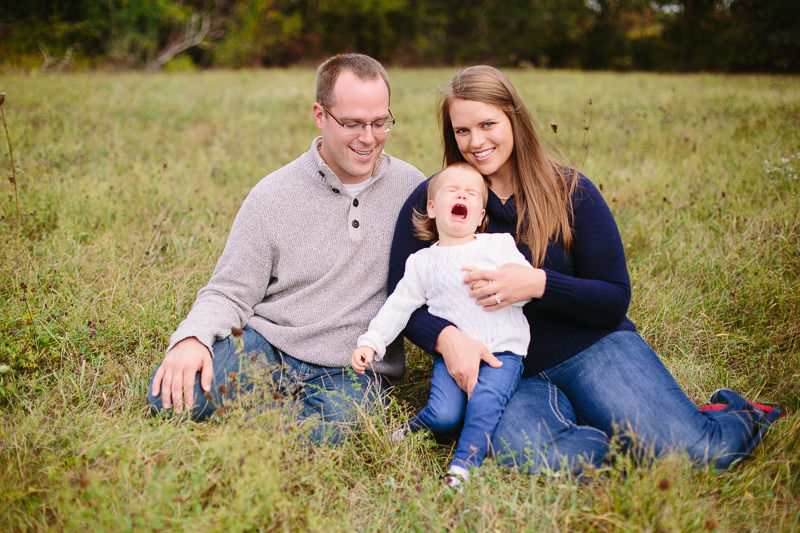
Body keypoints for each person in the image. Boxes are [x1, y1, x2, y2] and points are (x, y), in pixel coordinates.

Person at [388, 65, 783, 473]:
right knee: (540, 459)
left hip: (591, 346)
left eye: (488, 124)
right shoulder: (437, 198)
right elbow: (400, 295)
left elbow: (613, 297)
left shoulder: (571, 190)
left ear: (515, 119)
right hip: (504, 369)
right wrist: (447, 338)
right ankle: (611, 434)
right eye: (462, 131)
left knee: (697, 455)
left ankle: (733, 412)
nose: (476, 142)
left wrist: (540, 283)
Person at [148, 53, 425, 444]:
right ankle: (282, 417)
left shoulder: (413, 190)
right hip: (271, 346)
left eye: (380, 123)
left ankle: (262, 423)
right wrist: (193, 338)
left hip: (354, 367)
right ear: (320, 115)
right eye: (352, 123)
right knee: (170, 397)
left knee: (338, 428)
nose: (368, 137)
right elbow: (230, 290)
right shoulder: (273, 194)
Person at [352, 163, 532, 488]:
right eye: (453, 190)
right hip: (451, 358)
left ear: (480, 216)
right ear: (433, 208)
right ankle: (407, 432)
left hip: (502, 351)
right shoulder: (422, 262)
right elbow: (399, 306)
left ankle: (461, 470)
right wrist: (371, 342)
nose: (462, 193)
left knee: (484, 404)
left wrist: (503, 289)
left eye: (472, 193)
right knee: (444, 414)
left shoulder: (497, 246)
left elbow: (524, 286)